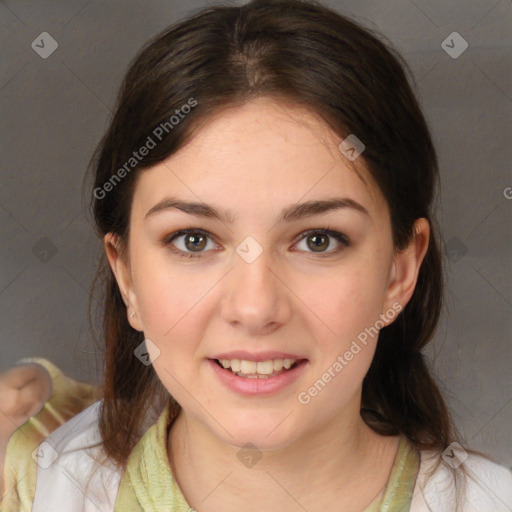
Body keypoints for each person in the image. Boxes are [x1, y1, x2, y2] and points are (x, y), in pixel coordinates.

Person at [1, 0, 511, 510]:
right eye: (194, 240)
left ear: (400, 272)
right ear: (127, 274)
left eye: (318, 240)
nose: (255, 307)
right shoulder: (40, 485)